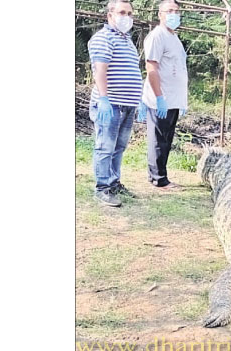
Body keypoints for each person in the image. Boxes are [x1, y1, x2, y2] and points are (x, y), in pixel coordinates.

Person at [87, 0, 142, 207]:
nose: (126, 17)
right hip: (111, 105)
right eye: (122, 12)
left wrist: (139, 100)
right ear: (110, 15)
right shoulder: (103, 38)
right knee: (105, 147)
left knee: (119, 147)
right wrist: (103, 98)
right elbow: (100, 70)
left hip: (127, 104)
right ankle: (102, 187)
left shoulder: (127, 40)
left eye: (129, 13)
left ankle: (113, 182)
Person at [137, 0, 188, 191]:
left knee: (166, 138)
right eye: (169, 11)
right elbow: (151, 67)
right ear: (160, 14)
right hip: (162, 98)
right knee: (158, 139)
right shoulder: (157, 36)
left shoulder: (173, 37)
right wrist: (159, 97)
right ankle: (159, 178)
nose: (174, 14)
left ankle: (158, 175)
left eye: (176, 11)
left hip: (173, 99)